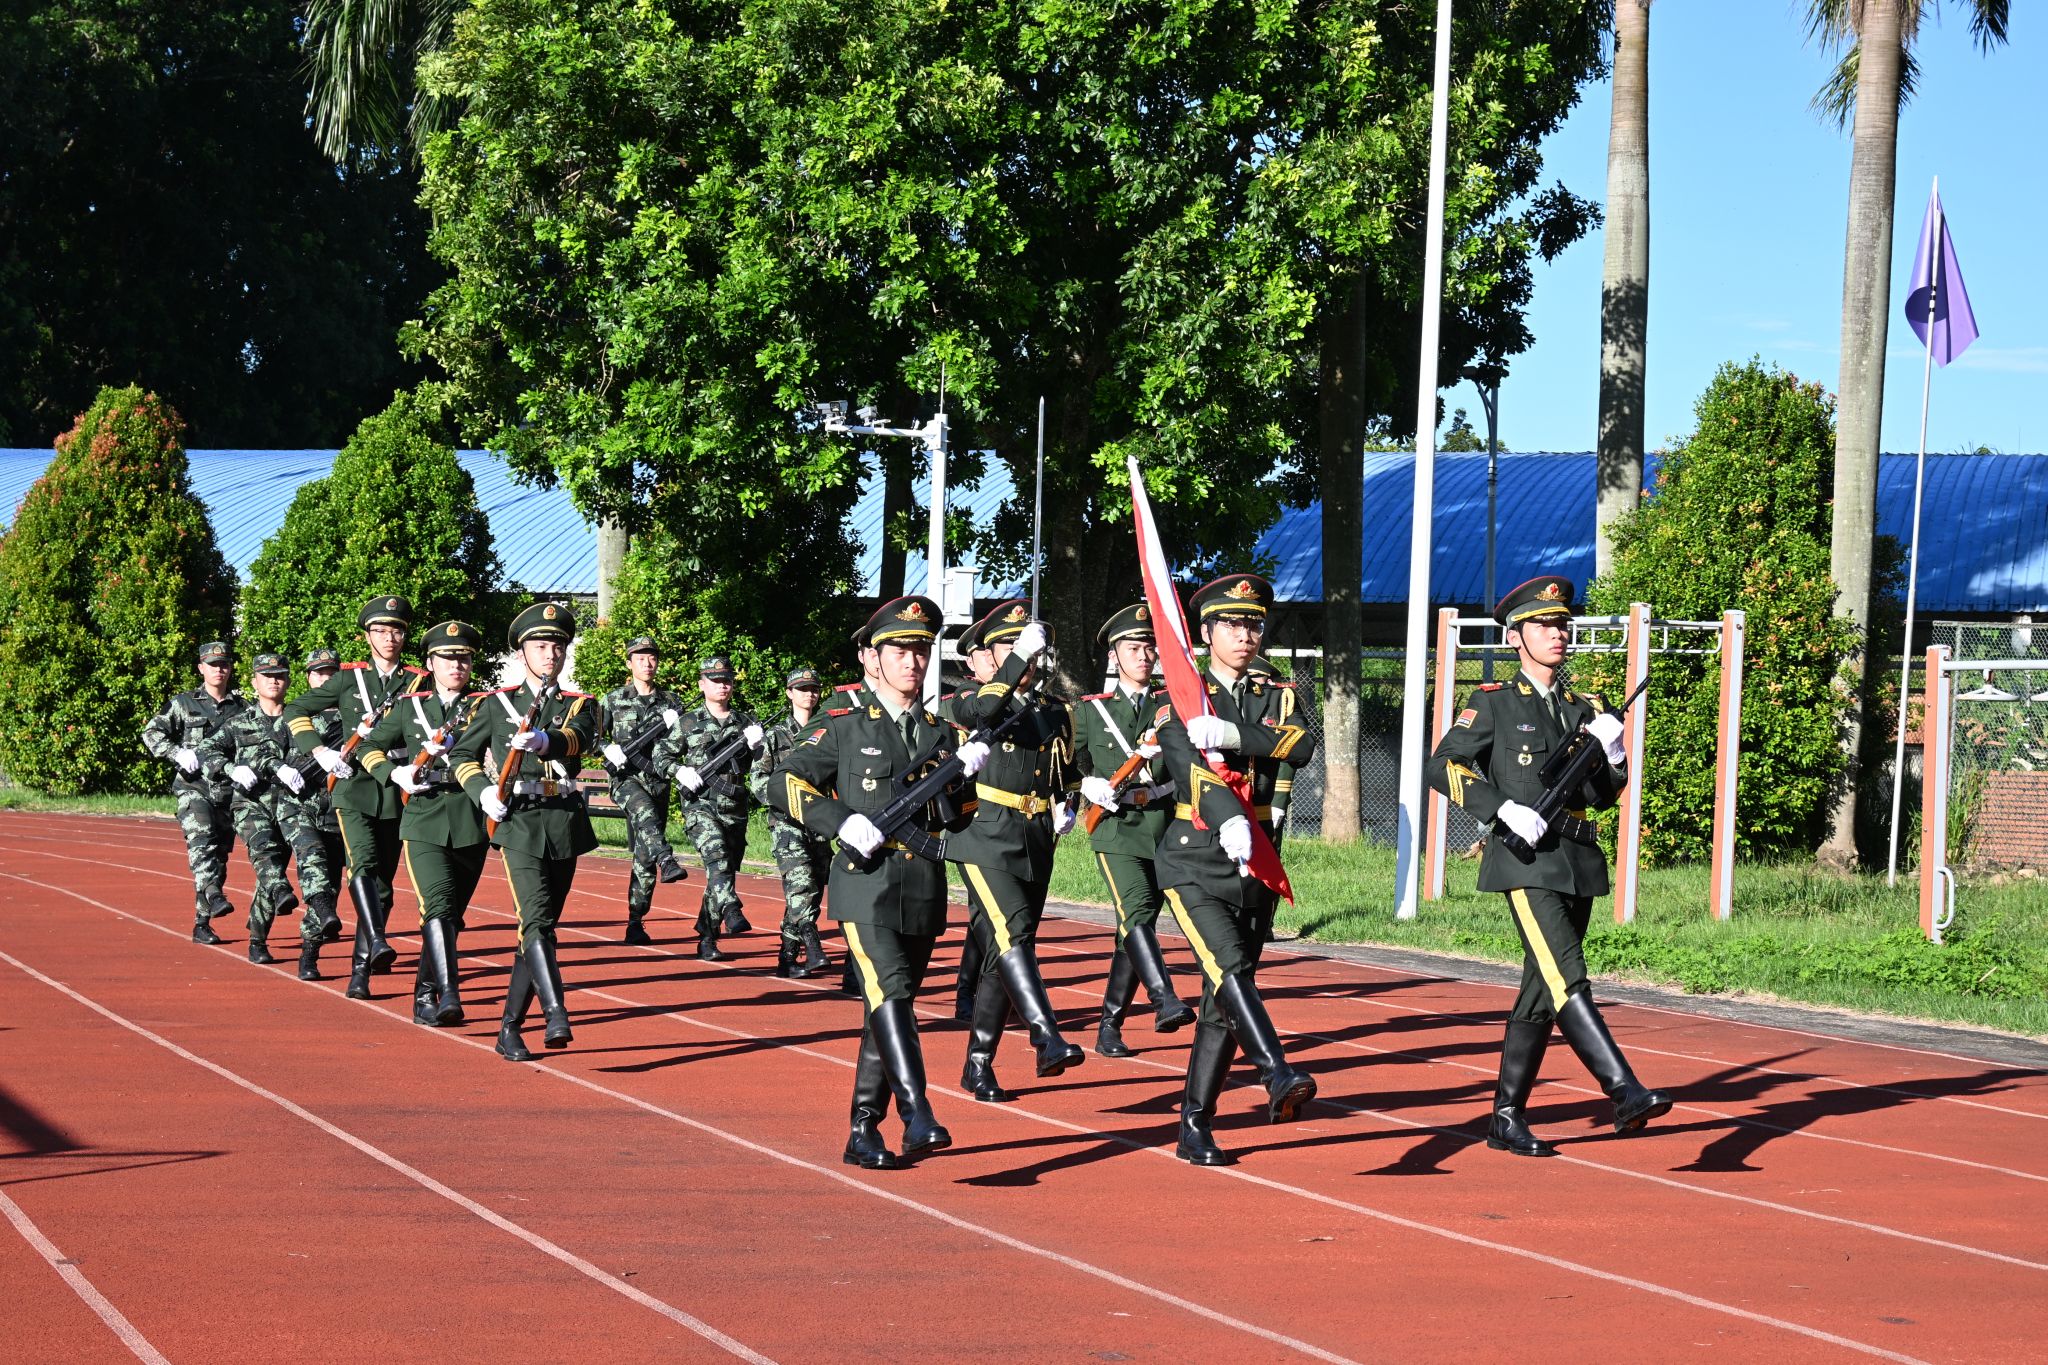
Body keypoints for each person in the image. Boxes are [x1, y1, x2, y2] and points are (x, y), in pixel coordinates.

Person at [1427, 574, 1672, 1156]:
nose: (1557, 634)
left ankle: (1505, 1117)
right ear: (1516, 637)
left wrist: (1613, 752)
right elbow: (1444, 765)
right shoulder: (1493, 704)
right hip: (1526, 861)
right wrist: (1502, 809)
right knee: (1567, 975)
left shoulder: (1583, 707)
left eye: (1563, 625)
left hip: (1578, 859)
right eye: (1543, 625)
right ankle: (1624, 1088)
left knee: (1541, 991)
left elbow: (1605, 792)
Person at [766, 595, 986, 1169]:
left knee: (890, 1005)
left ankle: (864, 1126)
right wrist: (843, 821)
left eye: (920, 650)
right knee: (890, 992)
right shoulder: (842, 724)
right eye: (899, 650)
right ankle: (917, 1114)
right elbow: (783, 784)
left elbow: (957, 819)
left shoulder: (943, 734)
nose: (912, 661)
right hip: (864, 882)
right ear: (870, 658)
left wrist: (967, 783)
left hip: (923, 884)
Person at [1153, 573, 1319, 1166]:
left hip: (1260, 858)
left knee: (1227, 993)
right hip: (1195, 855)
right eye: (1231, 624)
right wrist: (1227, 810)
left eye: (1253, 623)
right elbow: (1184, 759)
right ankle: (1276, 1072)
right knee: (1229, 970)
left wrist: (1232, 734)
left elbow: (1301, 742)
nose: (1245, 634)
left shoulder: (1277, 690)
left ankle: (1194, 1123)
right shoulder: (1179, 688)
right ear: (1204, 632)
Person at [947, 600, 1084, 1103]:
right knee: (1013, 936)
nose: (1020, 656)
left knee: (999, 950)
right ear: (988, 655)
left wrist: (1072, 796)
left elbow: (1065, 770)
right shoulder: (964, 699)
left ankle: (978, 1064)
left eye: (1024, 646)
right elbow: (987, 708)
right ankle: (1045, 1035)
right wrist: (1013, 661)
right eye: (1007, 646)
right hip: (983, 832)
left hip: (1034, 835)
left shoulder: (1051, 709)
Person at [453, 601, 599, 1061]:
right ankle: (556, 1011)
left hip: (564, 820)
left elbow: (579, 738)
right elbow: (462, 757)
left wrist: (544, 740)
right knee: (535, 921)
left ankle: (509, 1027)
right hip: (517, 820)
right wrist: (481, 791)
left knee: (540, 929)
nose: (550, 653)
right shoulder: (495, 704)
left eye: (557, 645)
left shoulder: (580, 703)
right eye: (540, 645)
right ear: (522, 652)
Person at [1072, 601, 1196, 1056]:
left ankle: (1109, 1027)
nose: (1144, 655)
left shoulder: (1173, 706)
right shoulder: (1091, 712)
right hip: (1116, 826)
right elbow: (1058, 761)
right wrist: (1081, 784)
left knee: (1134, 923)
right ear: (1113, 656)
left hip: (1164, 822)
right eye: (1132, 647)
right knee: (1138, 908)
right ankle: (1164, 999)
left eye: (1149, 647)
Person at [285, 595, 426, 994]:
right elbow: (296, 709)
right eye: (380, 630)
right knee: (361, 864)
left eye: (396, 630)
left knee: (383, 883)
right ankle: (374, 946)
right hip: (353, 786)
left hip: (397, 786)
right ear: (367, 636)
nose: (389, 638)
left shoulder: (419, 681)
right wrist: (319, 751)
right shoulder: (349, 679)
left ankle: (362, 965)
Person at [361, 620, 490, 1025]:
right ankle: (450, 994)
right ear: (431, 663)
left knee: (451, 915)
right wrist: (393, 773)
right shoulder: (409, 706)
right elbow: (367, 744)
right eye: (449, 658)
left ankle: (423, 994)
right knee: (436, 905)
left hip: (470, 816)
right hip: (423, 816)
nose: (457, 665)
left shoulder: (487, 705)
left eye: (464, 658)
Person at [194, 652, 312, 964]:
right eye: (267, 675)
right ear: (254, 681)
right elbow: (206, 749)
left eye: (280, 675)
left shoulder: (299, 719)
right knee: (265, 854)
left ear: (288, 679)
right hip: (251, 804)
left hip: (290, 806)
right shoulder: (239, 722)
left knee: (268, 881)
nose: (274, 680)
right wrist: (230, 768)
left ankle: (257, 938)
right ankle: (272, 913)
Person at [141, 640, 246, 944]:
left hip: (227, 791)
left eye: (224, 664)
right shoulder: (183, 703)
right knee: (202, 841)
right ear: (201, 668)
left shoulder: (242, 708)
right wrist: (175, 753)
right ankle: (213, 893)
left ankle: (202, 921)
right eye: (213, 665)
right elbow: (151, 732)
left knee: (220, 856)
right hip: (193, 787)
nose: (219, 670)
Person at [666, 656, 764, 961]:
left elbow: (759, 767)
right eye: (715, 680)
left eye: (727, 680)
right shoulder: (688, 722)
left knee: (722, 873)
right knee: (717, 858)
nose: (722, 685)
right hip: (700, 806)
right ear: (702, 684)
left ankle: (707, 935)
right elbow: (660, 755)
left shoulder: (746, 723)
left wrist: (758, 746)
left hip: (734, 807)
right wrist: (679, 771)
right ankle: (732, 909)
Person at [599, 636, 689, 945]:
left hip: (658, 781)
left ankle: (636, 919)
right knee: (645, 815)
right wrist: (607, 748)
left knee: (644, 854)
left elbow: (685, 742)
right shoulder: (612, 699)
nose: (646, 663)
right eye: (639, 658)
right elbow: (592, 735)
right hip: (626, 779)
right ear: (629, 663)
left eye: (651, 658)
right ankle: (668, 858)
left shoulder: (672, 702)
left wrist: (676, 725)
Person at [751, 666, 835, 977]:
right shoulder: (773, 736)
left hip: (819, 821)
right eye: (801, 689)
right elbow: (759, 780)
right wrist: (786, 801)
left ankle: (787, 957)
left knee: (809, 888)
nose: (808, 694)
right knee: (799, 881)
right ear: (789, 693)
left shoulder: (826, 732)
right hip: (787, 822)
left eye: (813, 688)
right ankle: (813, 945)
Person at [295, 648, 347, 947]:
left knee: (333, 879)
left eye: (331, 673)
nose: (326, 678)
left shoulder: (353, 717)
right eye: (320, 673)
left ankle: (317, 932)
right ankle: (306, 949)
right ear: (309, 677)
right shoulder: (298, 713)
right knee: (311, 871)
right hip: (301, 808)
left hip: (337, 809)